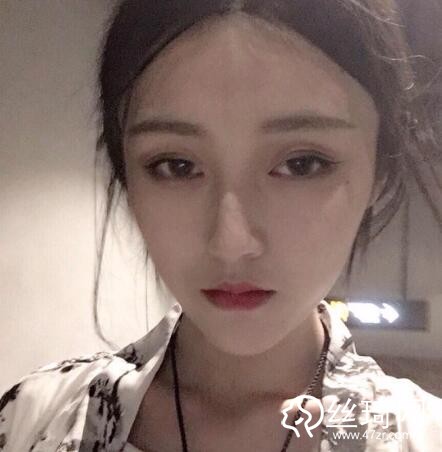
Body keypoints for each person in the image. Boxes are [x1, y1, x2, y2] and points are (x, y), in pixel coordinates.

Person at [1, 0, 441, 451]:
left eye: (302, 163)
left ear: (380, 174)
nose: (232, 242)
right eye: (176, 165)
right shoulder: (33, 423)